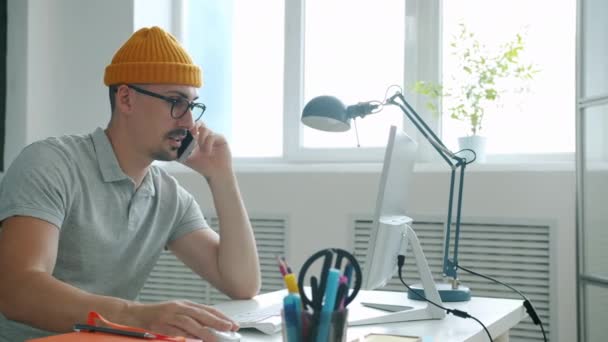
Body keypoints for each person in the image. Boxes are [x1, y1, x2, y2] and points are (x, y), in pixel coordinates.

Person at [0, 26, 261, 341]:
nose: (189, 123)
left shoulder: (168, 196)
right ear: (126, 99)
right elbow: (17, 289)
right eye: (176, 102)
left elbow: (242, 283)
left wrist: (221, 176)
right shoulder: (51, 163)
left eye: (192, 106)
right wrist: (136, 316)